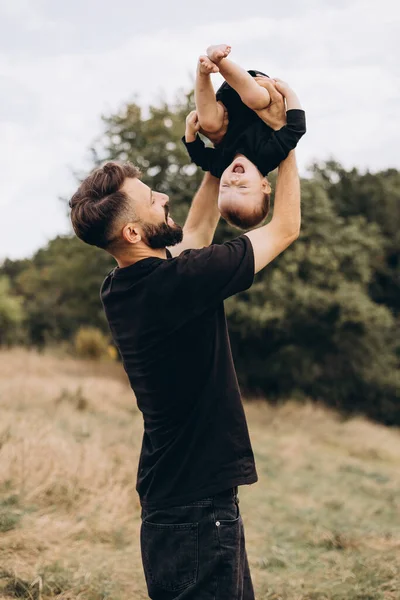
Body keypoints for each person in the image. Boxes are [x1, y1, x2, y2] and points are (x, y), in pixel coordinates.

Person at [69, 78, 301, 600]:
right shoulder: (177, 282)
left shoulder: (123, 286)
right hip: (195, 509)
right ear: (132, 233)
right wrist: (285, 143)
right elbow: (284, 227)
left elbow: (193, 237)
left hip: (177, 504)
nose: (165, 196)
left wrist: (221, 159)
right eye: (153, 200)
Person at [183, 44, 306, 229]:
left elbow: (199, 157)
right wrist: (288, 92)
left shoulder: (220, 166)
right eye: (242, 188)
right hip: (259, 92)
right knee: (258, 100)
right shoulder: (268, 156)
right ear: (264, 186)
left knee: (207, 123)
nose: (233, 181)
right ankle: (220, 61)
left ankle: (203, 72)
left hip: (229, 101)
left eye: (224, 188)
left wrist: (190, 133)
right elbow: (296, 129)